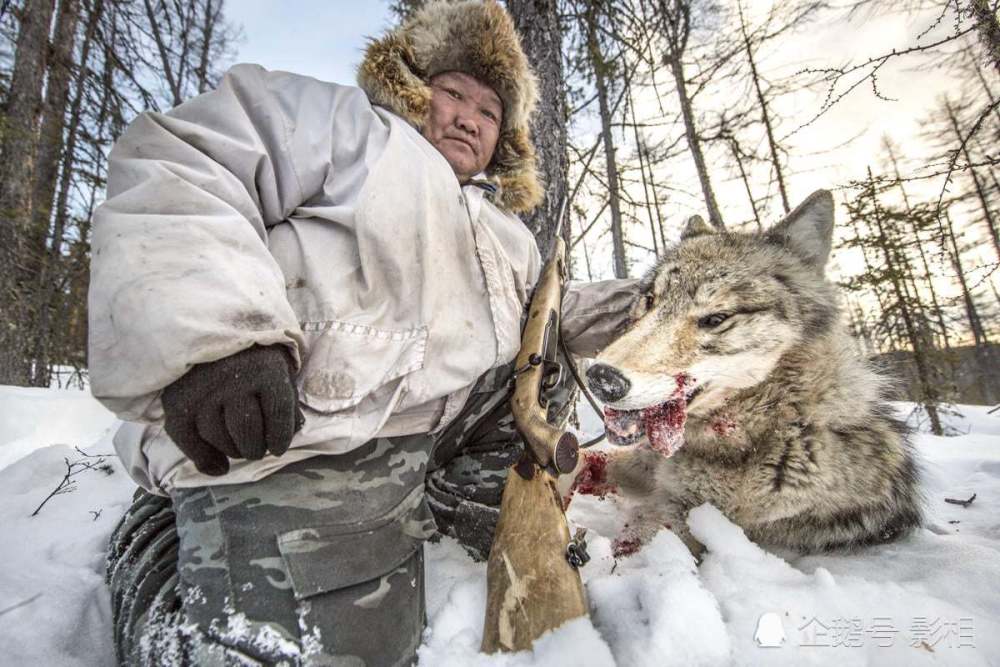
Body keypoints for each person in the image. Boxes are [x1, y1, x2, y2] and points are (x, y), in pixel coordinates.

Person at [92, 1, 637, 664]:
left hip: (429, 442)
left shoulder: (506, 234)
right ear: (412, 86)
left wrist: (663, 300)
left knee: (542, 365)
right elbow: (184, 159)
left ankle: (436, 519)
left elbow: (554, 313)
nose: (469, 116)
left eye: (490, 111)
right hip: (290, 435)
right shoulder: (343, 125)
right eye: (453, 92)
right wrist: (220, 339)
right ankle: (162, 537)